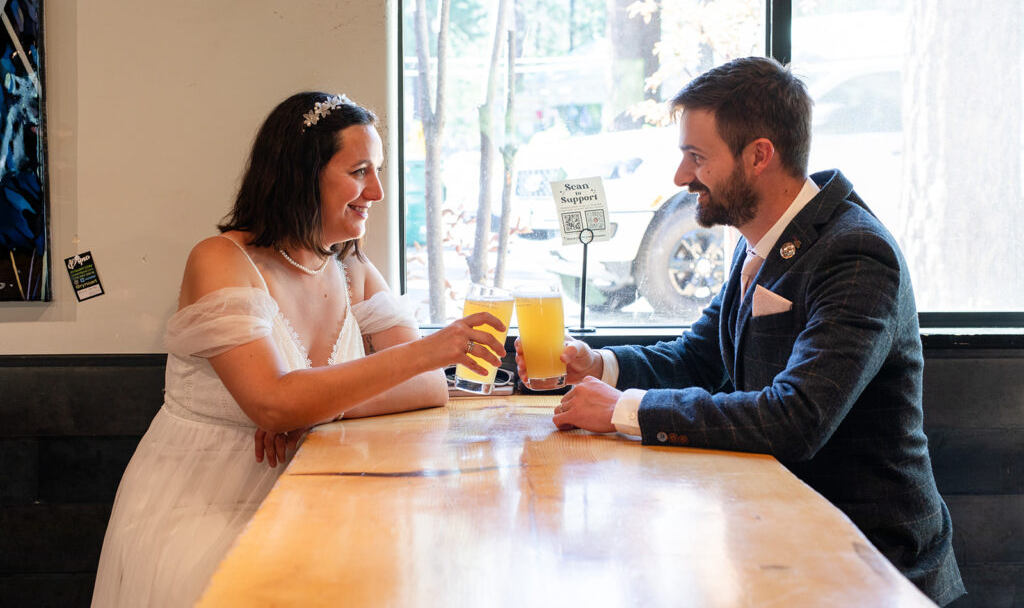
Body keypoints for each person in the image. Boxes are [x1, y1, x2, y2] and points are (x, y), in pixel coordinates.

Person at [518, 57, 965, 605]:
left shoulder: (856, 254)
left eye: (697, 157)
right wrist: (597, 364)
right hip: (780, 538)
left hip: (871, 564)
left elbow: (797, 418)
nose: (681, 178)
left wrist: (621, 411)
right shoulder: (758, 240)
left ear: (759, 156)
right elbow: (698, 357)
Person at [92, 92, 506, 607]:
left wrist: (314, 411)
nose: (375, 191)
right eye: (359, 171)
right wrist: (425, 353)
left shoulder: (350, 268)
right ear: (301, 173)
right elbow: (272, 402)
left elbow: (428, 390)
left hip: (317, 491)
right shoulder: (221, 260)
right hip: (206, 498)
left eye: (376, 171)